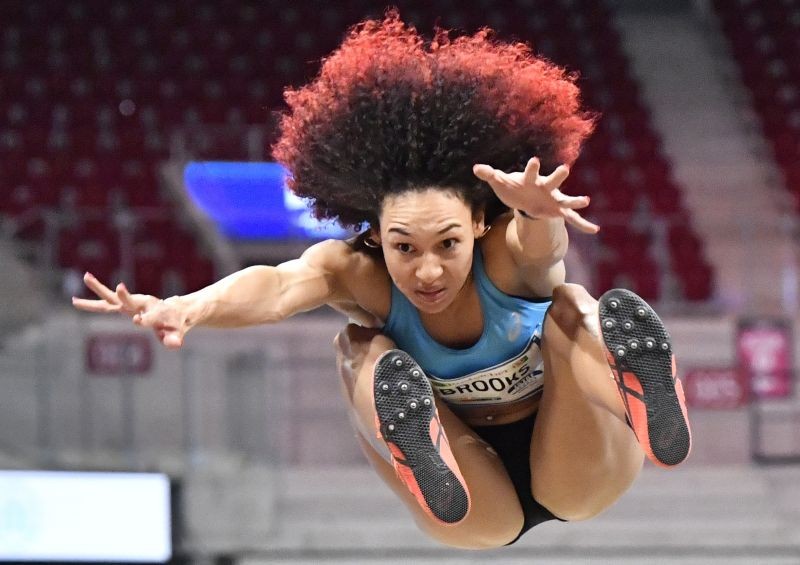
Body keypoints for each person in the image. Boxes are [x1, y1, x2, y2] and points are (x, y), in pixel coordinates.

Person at [73, 12, 691, 549]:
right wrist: (191, 308)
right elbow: (279, 286)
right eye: (404, 247)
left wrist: (535, 210)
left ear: (479, 223)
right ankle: (414, 437)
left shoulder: (507, 257)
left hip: (576, 463)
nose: (427, 271)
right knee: (358, 344)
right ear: (374, 236)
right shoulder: (355, 271)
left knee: (570, 305)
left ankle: (640, 397)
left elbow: (541, 247)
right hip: (470, 496)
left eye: (447, 245)